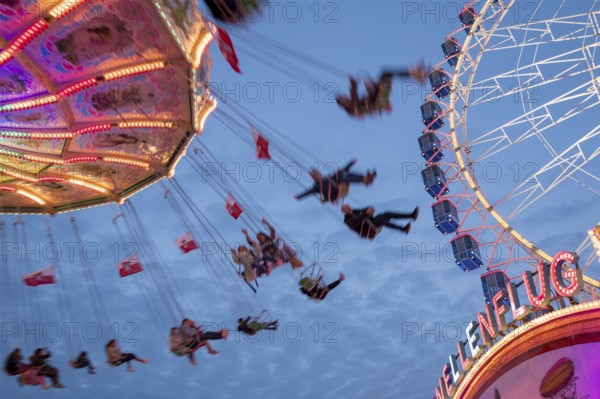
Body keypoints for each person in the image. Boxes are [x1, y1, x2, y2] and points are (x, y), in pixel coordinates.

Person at [336, 60, 430, 117]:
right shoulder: (350, 110)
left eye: (344, 96)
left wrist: (370, 89)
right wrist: (353, 87)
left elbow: (362, 102)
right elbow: (356, 105)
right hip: (378, 103)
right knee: (385, 74)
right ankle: (416, 74)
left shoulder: (354, 103)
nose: (345, 97)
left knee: (386, 73)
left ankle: (415, 73)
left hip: (377, 100)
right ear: (342, 103)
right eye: (343, 98)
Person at [295, 159, 376, 204]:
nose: (316, 176)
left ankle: (365, 179)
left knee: (344, 175)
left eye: (316, 174)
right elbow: (308, 192)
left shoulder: (329, 178)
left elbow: (342, 171)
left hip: (340, 188)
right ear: (313, 178)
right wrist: (299, 197)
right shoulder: (316, 186)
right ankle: (364, 180)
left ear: (320, 173)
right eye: (314, 176)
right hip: (334, 194)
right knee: (341, 179)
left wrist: (351, 163)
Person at [342, 205, 419, 239]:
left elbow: (364, 210)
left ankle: (411, 215)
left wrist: (369, 209)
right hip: (368, 230)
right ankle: (403, 229)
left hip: (372, 222)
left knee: (386, 214)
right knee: (381, 221)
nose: (349, 208)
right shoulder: (347, 220)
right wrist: (366, 213)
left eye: (349, 206)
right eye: (347, 208)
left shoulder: (355, 211)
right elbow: (356, 222)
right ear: (344, 212)